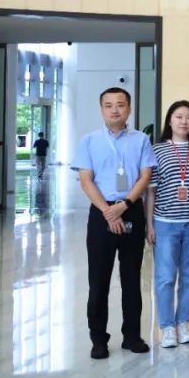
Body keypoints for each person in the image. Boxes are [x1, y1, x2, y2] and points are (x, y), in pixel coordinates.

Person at [71, 87, 157, 359]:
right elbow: (86, 180)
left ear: (129, 109)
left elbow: (145, 177)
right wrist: (108, 211)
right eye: (108, 105)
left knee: (131, 278)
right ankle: (98, 339)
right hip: (101, 213)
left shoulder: (141, 140)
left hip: (131, 210)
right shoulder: (89, 141)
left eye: (120, 104)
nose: (114, 110)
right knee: (99, 280)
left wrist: (124, 205)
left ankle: (132, 336)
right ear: (102, 110)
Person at [145, 100, 189, 349]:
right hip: (165, 223)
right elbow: (151, 191)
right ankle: (167, 327)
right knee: (165, 278)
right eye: (179, 116)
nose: (184, 121)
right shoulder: (157, 150)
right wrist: (149, 224)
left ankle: (183, 324)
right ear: (169, 120)